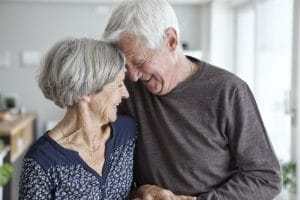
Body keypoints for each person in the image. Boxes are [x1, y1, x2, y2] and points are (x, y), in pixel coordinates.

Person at [103, 0, 282, 199]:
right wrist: (140, 191)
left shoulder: (228, 92)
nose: (134, 76)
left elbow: (266, 177)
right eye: (127, 66)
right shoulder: (126, 90)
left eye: (139, 62)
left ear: (171, 40)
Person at [19, 38, 137, 199]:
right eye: (118, 84)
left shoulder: (127, 133)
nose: (126, 93)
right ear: (87, 91)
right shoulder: (41, 161)